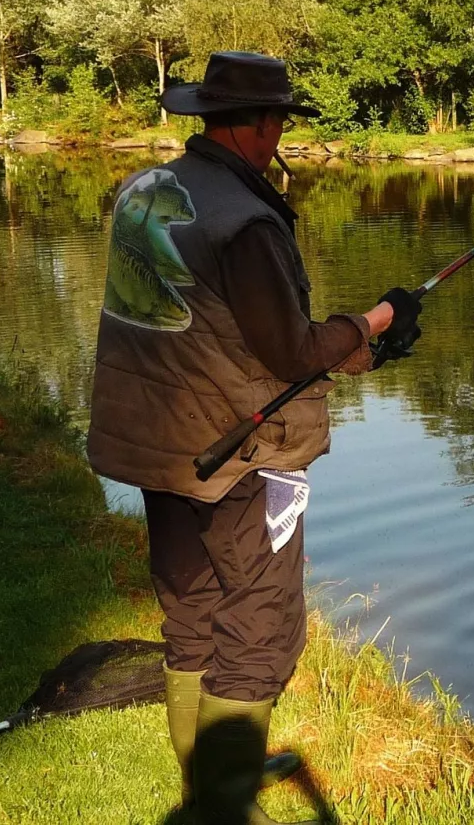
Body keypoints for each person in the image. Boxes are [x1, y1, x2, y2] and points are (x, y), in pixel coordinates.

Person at [86, 51, 422, 823]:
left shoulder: (146, 189)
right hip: (238, 459)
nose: (279, 137)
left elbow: (185, 328)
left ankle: (206, 785)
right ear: (264, 125)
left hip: (155, 443)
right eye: (278, 123)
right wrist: (375, 322)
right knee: (258, 630)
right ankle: (226, 808)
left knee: (191, 611)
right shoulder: (247, 222)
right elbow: (294, 353)